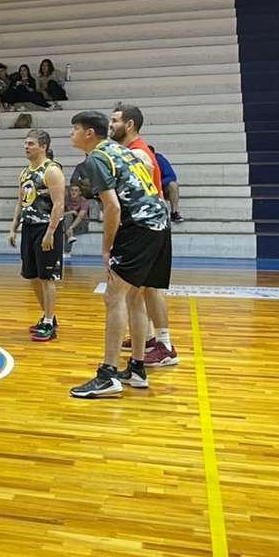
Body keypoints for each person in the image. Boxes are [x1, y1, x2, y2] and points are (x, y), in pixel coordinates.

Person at [68, 111, 172, 399]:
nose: (71, 135)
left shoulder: (96, 158)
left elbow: (112, 207)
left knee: (113, 297)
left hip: (137, 226)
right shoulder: (121, 150)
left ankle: (108, 375)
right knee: (133, 296)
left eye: (74, 129)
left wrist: (106, 248)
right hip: (159, 225)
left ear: (89, 133)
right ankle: (137, 369)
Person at [110, 104, 177, 366]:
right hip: (150, 225)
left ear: (130, 125)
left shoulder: (138, 152)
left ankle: (164, 345)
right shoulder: (134, 150)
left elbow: (143, 188)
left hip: (148, 226)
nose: (111, 125)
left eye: (115, 120)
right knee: (143, 288)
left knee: (145, 288)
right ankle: (149, 338)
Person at [7, 130, 65, 342]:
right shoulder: (24, 173)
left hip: (45, 227)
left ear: (43, 146)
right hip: (29, 228)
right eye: (25, 143)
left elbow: (59, 204)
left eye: (31, 143)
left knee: (47, 277)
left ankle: (49, 323)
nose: (26, 147)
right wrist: (14, 227)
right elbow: (20, 202)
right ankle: (48, 316)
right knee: (31, 275)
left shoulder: (52, 170)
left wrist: (51, 231)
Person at [151, 146, 183, 223]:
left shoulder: (159, 159)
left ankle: (174, 212)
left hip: (159, 186)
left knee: (173, 185)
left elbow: (171, 176)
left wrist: (159, 183)